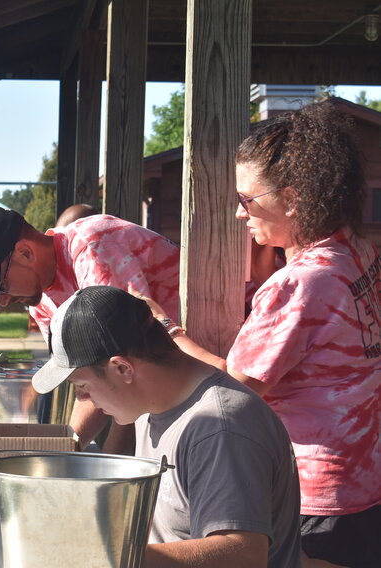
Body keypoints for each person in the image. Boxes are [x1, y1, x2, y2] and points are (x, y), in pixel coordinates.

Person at [140, 101, 381, 567]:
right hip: (366, 480)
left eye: (246, 200)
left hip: (315, 496)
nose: (238, 214)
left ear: (291, 199)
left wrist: (170, 331)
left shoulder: (298, 284)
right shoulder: (358, 252)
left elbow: (232, 389)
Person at [31, 286, 302, 568]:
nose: (82, 399)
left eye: (82, 386)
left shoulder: (220, 429)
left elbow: (243, 554)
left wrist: (99, 557)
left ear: (123, 369)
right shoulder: (151, 406)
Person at [0, 206, 180, 450]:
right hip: (165, 383)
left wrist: (74, 456)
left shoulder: (92, 250)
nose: (4, 301)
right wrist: (61, 452)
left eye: (2, 287)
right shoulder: (41, 301)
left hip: (203, 370)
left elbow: (126, 372)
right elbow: (84, 377)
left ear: (25, 253)